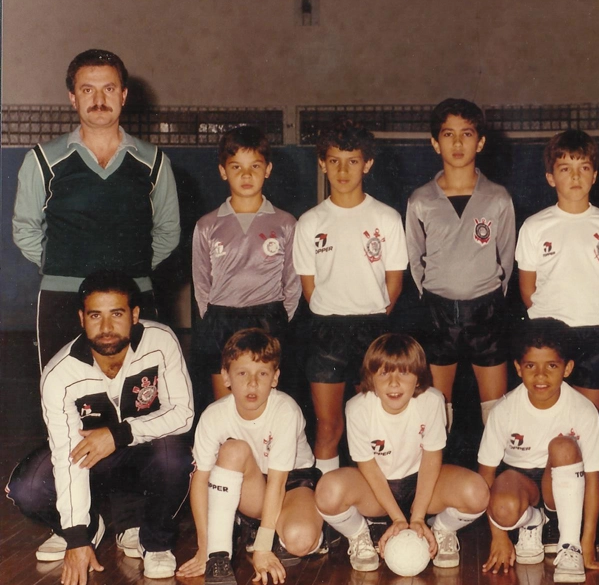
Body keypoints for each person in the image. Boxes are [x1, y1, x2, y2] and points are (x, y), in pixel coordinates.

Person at [6, 270, 194, 585]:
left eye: (117, 314)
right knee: (27, 488)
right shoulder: (58, 373)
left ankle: (154, 540)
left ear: (135, 315)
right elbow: (67, 456)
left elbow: (184, 414)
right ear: (82, 318)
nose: (106, 328)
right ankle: (90, 524)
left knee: (173, 455)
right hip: (90, 461)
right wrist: (76, 536)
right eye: (95, 315)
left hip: (143, 451)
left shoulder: (161, 341)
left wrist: (118, 434)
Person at [12, 49, 181, 370]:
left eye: (109, 88)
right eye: (87, 89)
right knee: (65, 402)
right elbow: (25, 230)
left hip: (132, 299)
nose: (99, 99)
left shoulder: (154, 161)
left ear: (124, 95)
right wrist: (62, 268)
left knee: (137, 403)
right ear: (73, 98)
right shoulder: (43, 159)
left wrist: (134, 271)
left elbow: (168, 232)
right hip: (64, 299)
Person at [314, 333, 489, 572]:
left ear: (418, 379)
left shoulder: (432, 401)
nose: (393, 383)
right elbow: (368, 468)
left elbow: (431, 459)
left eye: (404, 372)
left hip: (422, 484)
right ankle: (359, 535)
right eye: (384, 373)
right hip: (378, 489)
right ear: (371, 378)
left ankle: (442, 529)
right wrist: (397, 518)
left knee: (477, 492)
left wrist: (417, 517)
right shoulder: (357, 408)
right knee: (327, 491)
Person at [292, 119, 408, 474]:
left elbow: (394, 284)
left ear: (368, 164)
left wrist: (370, 314)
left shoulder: (386, 218)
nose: (343, 170)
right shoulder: (310, 222)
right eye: (334, 160)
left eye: (353, 160)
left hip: (373, 330)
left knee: (373, 425)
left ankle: (378, 502)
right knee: (329, 426)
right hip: (325, 330)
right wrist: (334, 312)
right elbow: (309, 290)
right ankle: (328, 505)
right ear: (322, 163)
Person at [177, 328, 323, 585]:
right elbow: (199, 481)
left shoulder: (285, 411)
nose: (252, 384)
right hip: (251, 486)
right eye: (242, 373)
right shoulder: (213, 416)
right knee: (233, 450)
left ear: (275, 378)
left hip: (291, 483)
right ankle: (218, 555)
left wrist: (263, 548)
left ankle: (286, 529)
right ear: (226, 376)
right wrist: (203, 547)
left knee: (300, 541)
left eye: (262, 374)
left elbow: (278, 483)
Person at [405, 98, 515, 434]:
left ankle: (497, 483)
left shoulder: (498, 198)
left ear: (480, 142)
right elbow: (415, 259)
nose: (457, 143)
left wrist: (484, 293)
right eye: (448, 134)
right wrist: (442, 292)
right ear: (435, 142)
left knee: (496, 412)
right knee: (438, 408)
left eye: (466, 134)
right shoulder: (420, 200)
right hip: (438, 311)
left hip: (487, 310)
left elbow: (507, 259)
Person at [478, 319, 599, 582]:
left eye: (551, 366)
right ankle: (531, 522)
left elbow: (594, 476)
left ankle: (568, 545)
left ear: (567, 368)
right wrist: (499, 537)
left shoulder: (583, 409)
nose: (541, 376)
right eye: (530, 366)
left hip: (560, 482)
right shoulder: (503, 411)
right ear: (518, 368)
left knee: (562, 445)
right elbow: (486, 474)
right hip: (520, 480)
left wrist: (587, 541)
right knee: (503, 507)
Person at [515, 129, 599, 410]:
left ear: (595, 175)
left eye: (583, 168)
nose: (575, 177)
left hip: (597, 331)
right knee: (549, 412)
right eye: (565, 168)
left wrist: (590, 313)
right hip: (549, 333)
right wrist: (548, 323)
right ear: (551, 177)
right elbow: (527, 288)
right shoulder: (534, 226)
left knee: (589, 415)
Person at [192, 126, 301, 400]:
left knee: (265, 406)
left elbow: (293, 282)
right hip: (220, 321)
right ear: (222, 171)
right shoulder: (207, 225)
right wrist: (214, 318)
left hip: (268, 319)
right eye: (236, 166)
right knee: (225, 407)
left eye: (255, 165)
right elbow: (201, 283)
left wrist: (276, 318)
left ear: (268, 169)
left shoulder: (285, 222)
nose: (246, 174)